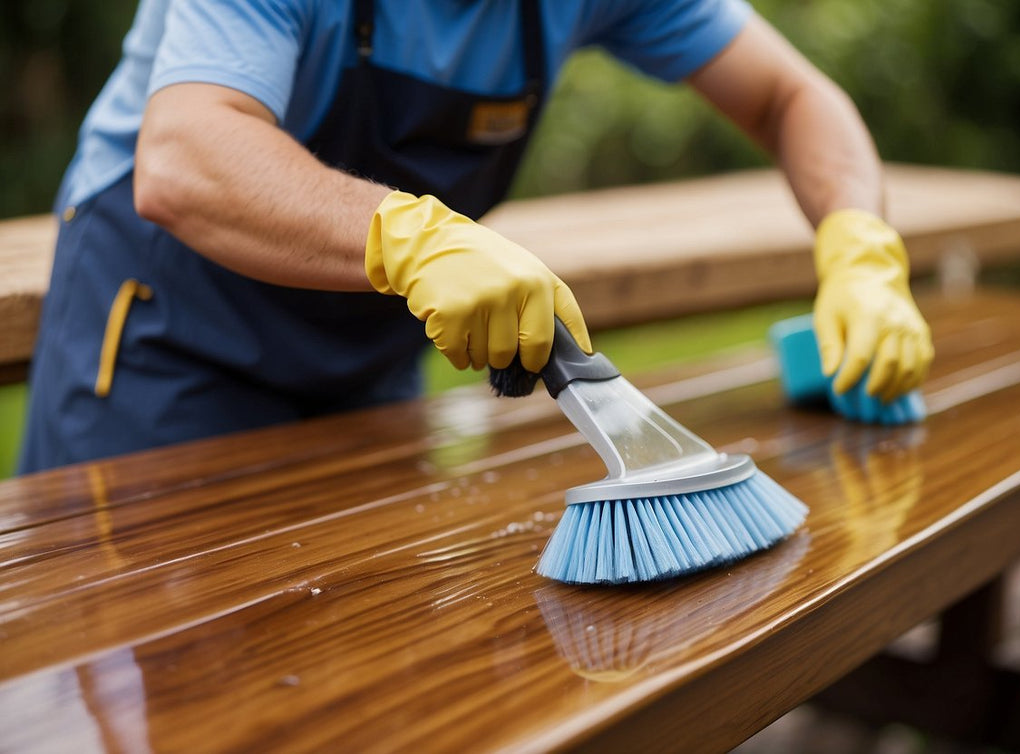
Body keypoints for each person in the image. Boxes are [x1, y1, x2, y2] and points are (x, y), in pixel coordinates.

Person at [18, 0, 933, 474]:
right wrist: (413, 240)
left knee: (354, 664)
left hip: (362, 346)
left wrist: (860, 245)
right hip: (166, 336)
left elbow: (793, 95)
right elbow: (185, 157)